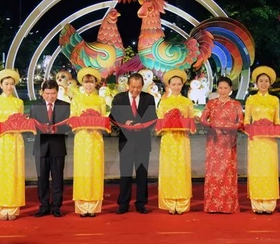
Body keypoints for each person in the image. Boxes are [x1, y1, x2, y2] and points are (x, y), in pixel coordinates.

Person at [109, 73, 157, 214]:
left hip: (143, 142)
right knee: (125, 174)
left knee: (142, 174)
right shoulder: (119, 99)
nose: (135, 90)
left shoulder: (149, 99)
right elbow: (112, 118)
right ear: (127, 85)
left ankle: (141, 203)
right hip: (126, 142)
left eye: (138, 87)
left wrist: (142, 125)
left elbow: (153, 118)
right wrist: (124, 124)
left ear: (143, 86)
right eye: (133, 87)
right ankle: (123, 204)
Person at [199, 76, 243, 213]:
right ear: (217, 88)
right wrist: (212, 124)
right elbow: (202, 119)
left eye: (226, 88)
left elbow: (241, 122)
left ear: (231, 89)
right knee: (214, 172)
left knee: (228, 172)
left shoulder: (236, 105)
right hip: (214, 141)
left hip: (229, 142)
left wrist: (229, 126)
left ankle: (228, 206)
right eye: (220, 88)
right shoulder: (211, 104)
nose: (223, 90)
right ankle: (212, 206)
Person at [244, 66, 280, 215]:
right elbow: (247, 120)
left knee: (269, 169)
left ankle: (269, 203)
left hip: (269, 141)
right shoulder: (251, 99)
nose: (264, 83)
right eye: (261, 81)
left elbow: (277, 120)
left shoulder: (274, 100)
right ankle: (257, 203)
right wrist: (251, 128)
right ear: (256, 82)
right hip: (255, 141)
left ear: (270, 83)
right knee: (256, 169)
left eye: (266, 81)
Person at [156, 69, 196, 215]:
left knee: (182, 169)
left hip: (182, 140)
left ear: (182, 85)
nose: (176, 87)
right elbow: (159, 122)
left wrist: (183, 123)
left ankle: (182, 203)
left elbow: (191, 123)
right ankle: (169, 203)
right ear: (169, 85)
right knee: (169, 169)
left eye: (179, 84)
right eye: (174, 84)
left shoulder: (187, 102)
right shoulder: (164, 103)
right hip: (168, 140)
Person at [29, 80, 71, 218]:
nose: (50, 96)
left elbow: (69, 126)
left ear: (57, 92)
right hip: (41, 146)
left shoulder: (65, 106)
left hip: (57, 146)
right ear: (42, 93)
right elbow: (31, 125)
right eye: (47, 93)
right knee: (42, 179)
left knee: (58, 178)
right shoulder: (35, 106)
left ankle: (57, 207)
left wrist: (57, 129)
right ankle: (44, 206)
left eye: (53, 93)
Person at [0, 69, 25, 221]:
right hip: (1, 141)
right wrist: (2, 127)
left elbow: (22, 121)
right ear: (1, 85)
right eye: (6, 84)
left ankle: (14, 208)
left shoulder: (19, 102)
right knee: (1, 173)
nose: (9, 87)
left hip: (16, 141)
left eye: (11, 84)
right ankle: (2, 208)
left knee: (15, 173)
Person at [70, 67, 108, 217]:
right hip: (81, 138)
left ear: (95, 83)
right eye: (86, 82)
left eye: (91, 82)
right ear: (82, 83)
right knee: (82, 169)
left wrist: (97, 120)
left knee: (95, 169)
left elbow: (104, 117)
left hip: (96, 138)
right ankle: (81, 205)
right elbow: (72, 118)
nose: (89, 85)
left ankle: (93, 205)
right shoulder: (77, 99)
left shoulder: (100, 99)